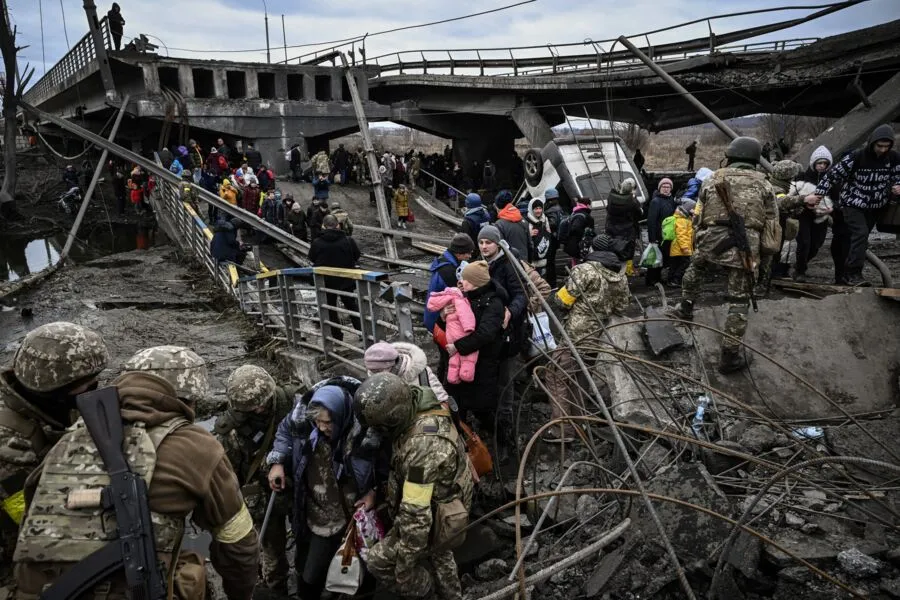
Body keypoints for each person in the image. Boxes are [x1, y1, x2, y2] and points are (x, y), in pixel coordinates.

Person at [14, 345, 260, 600]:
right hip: (128, 589)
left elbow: (31, 508)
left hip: (40, 590)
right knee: (190, 572)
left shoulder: (69, 437)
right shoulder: (197, 446)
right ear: (188, 399)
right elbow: (238, 542)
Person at [355, 373, 473, 600]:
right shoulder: (419, 401)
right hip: (442, 500)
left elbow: (416, 516)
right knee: (441, 556)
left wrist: (405, 567)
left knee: (380, 561)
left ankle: (425, 593)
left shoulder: (421, 448)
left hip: (437, 513)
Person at [0, 323, 108, 562]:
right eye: (88, 385)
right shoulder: (9, 445)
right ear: (56, 390)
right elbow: (28, 518)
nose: (94, 389)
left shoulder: (36, 395)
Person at [266, 378, 378, 600]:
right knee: (310, 573)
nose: (322, 428)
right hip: (319, 513)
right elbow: (284, 433)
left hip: (354, 515)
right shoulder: (302, 421)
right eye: (317, 422)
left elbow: (384, 466)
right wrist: (277, 461)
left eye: (328, 422)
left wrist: (373, 492)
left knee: (359, 572)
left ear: (341, 416)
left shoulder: (367, 432)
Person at [674, 136, 777, 373]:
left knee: (696, 268)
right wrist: (766, 259)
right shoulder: (765, 184)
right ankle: (729, 356)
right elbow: (772, 225)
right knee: (739, 299)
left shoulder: (712, 178)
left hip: (711, 238)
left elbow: (697, 215)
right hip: (746, 245)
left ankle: (685, 307)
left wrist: (699, 240)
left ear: (729, 156)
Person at [215, 365, 294, 593]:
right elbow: (227, 475)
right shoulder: (230, 431)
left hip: (295, 485)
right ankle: (275, 588)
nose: (260, 408)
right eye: (253, 407)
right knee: (271, 550)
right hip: (260, 496)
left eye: (263, 403)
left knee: (306, 537)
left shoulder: (288, 403)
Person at [543, 234, 630, 442]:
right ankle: (580, 422)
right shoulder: (620, 274)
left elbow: (562, 301)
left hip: (575, 335)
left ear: (592, 249)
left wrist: (562, 293)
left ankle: (562, 430)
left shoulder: (584, 270)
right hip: (598, 337)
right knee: (581, 378)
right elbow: (622, 307)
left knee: (556, 375)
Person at [806, 124, 900, 286]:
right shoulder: (857, 157)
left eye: (886, 146)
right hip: (853, 204)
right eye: (879, 146)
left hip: (876, 206)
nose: (882, 150)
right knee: (861, 233)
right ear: (872, 143)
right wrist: (818, 195)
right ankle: (852, 273)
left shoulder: (893, 158)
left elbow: (898, 175)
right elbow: (831, 176)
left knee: (861, 240)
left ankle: (849, 273)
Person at [309, 214, 362, 341]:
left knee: (330, 308)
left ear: (323, 226)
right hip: (346, 279)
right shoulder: (348, 240)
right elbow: (357, 255)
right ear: (338, 225)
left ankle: (337, 337)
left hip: (326, 281)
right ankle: (362, 332)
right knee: (352, 306)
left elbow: (312, 257)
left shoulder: (317, 242)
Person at [793, 146, 835, 282]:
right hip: (804, 215)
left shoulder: (832, 180)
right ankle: (800, 271)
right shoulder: (802, 177)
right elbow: (793, 195)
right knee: (804, 242)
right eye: (819, 163)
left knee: (816, 244)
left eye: (825, 163)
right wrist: (804, 201)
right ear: (813, 163)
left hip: (821, 216)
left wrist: (831, 208)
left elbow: (837, 197)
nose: (822, 166)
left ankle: (800, 265)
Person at [363, 341, 449, 404]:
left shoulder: (422, 374)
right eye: (372, 371)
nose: (375, 374)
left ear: (391, 365)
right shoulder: (374, 377)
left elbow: (441, 400)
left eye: (378, 371)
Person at [427, 284, 478, 385]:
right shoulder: (454, 295)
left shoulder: (477, 298)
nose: (462, 282)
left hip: (464, 342)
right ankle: (445, 391)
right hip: (450, 339)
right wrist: (443, 315)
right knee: (447, 365)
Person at [604, 178, 643, 268]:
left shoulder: (611, 198)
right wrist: (634, 199)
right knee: (624, 257)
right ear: (631, 189)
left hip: (611, 231)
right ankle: (620, 277)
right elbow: (639, 214)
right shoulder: (632, 202)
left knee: (612, 255)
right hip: (626, 233)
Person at [646, 178, 676, 286]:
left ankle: (658, 278)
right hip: (658, 234)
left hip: (668, 235)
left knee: (664, 257)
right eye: (663, 187)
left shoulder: (671, 199)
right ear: (660, 188)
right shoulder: (656, 201)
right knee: (655, 257)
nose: (666, 189)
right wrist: (652, 238)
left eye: (668, 187)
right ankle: (651, 280)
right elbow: (651, 221)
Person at [495, 193, 530, 261]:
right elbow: (530, 245)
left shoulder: (499, 224)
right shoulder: (523, 220)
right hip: (525, 262)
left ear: (498, 207)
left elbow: (501, 248)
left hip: (510, 264)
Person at [668, 200, 695, 286]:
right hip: (681, 248)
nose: (695, 210)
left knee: (675, 264)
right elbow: (682, 235)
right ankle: (675, 280)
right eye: (693, 208)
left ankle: (671, 280)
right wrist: (685, 248)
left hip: (678, 247)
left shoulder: (684, 219)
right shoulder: (682, 220)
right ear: (688, 209)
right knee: (683, 264)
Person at [561, 197, 594, 262]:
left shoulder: (576, 213)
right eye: (591, 205)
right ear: (588, 205)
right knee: (580, 263)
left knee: (575, 261)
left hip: (573, 245)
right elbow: (575, 228)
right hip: (579, 246)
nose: (592, 207)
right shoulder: (582, 215)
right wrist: (586, 233)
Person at [527, 198, 552, 276]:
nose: (538, 211)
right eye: (536, 208)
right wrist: (529, 234)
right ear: (531, 209)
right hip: (532, 260)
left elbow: (549, 233)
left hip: (543, 255)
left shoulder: (545, 219)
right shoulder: (527, 221)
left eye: (540, 208)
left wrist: (548, 233)